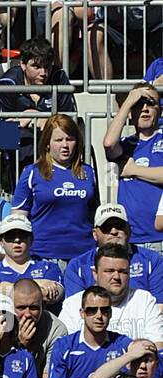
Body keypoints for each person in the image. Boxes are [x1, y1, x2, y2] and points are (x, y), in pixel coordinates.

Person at [0, 38, 77, 194]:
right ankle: (21, 189)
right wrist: (23, 121)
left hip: (52, 137)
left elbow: (70, 121)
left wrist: (42, 119)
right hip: (17, 144)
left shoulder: (59, 77)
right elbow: (1, 132)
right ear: (23, 64)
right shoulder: (7, 84)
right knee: (20, 142)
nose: (43, 73)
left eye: (47, 67)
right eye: (36, 66)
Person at [11, 114, 98, 266]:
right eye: (58, 140)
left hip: (84, 255)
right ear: (47, 143)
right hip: (44, 256)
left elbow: (94, 214)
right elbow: (18, 219)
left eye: (70, 139)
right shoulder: (32, 173)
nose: (65, 145)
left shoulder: (88, 172)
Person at [56, 245, 163, 345]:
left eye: (123, 272)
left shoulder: (144, 300)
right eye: (109, 271)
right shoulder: (73, 305)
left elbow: (158, 345)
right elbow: (63, 348)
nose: (116, 277)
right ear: (95, 273)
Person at [102, 84, 163, 252]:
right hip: (131, 240)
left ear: (160, 110)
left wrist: (133, 170)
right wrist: (129, 101)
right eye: (139, 104)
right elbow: (109, 143)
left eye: (151, 103)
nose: (144, 109)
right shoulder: (125, 144)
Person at [63, 203, 163, 304]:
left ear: (129, 230)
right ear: (95, 234)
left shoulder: (152, 261)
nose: (114, 231)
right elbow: (77, 307)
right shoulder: (78, 266)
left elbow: (159, 305)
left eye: (119, 226)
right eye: (106, 227)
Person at [0, 212, 65, 302]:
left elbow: (52, 296)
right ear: (1, 241)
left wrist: (7, 287)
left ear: (31, 239)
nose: (17, 240)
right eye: (10, 236)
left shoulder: (49, 267)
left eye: (22, 235)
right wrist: (40, 283)